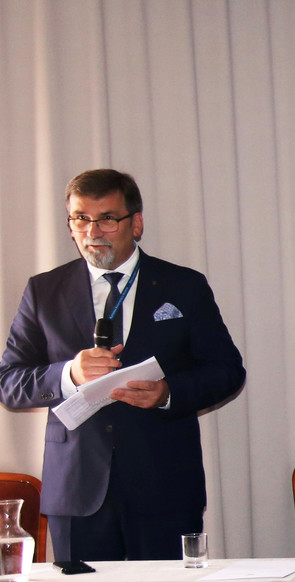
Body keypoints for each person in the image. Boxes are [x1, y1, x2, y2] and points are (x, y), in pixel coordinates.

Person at [0, 169, 246, 561]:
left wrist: (168, 393)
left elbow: (226, 370)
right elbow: (10, 382)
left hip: (164, 483)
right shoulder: (44, 290)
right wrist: (68, 374)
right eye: (81, 218)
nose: (92, 231)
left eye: (108, 219)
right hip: (77, 490)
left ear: (136, 223)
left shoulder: (184, 286)